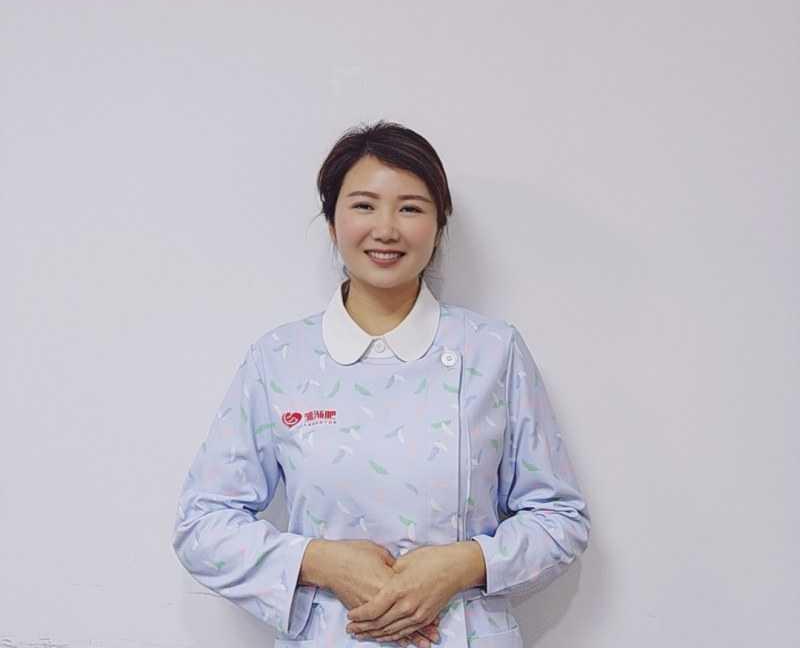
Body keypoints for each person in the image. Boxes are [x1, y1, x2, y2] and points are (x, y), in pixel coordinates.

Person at [171, 120, 591, 648]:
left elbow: (560, 518)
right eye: (364, 206)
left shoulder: (493, 351)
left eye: (410, 208)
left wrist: (464, 564)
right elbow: (201, 525)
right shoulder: (279, 359)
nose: (386, 229)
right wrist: (319, 561)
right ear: (332, 222)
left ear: (439, 225)